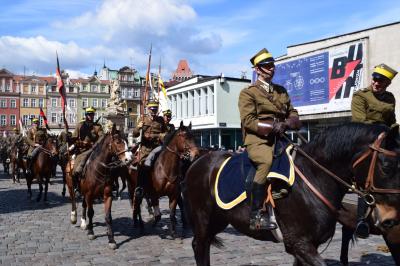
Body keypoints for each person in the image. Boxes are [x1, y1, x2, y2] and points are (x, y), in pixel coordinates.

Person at [238, 48, 301, 230]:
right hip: (258, 140)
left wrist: (289, 123)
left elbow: (292, 112)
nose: (271, 69)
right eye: (266, 66)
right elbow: (248, 121)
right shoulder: (248, 93)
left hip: (281, 137)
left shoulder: (281, 91)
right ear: (257, 70)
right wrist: (274, 126)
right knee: (265, 162)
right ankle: (256, 214)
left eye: (272, 65)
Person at [351, 63, 398, 238]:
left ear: (387, 83)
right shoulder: (360, 96)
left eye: (381, 80)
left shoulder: (390, 98)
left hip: (384, 138)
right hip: (364, 139)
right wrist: (382, 130)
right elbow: (359, 122)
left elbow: (392, 120)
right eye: (375, 79)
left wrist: (394, 130)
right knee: (367, 175)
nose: (377, 83)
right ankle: (361, 220)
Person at [132, 101, 167, 197]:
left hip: (158, 147)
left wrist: (156, 135)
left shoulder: (160, 120)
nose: (154, 111)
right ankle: (140, 187)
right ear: (148, 109)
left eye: (155, 109)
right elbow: (134, 134)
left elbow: (166, 133)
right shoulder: (143, 119)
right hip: (146, 149)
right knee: (142, 165)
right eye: (152, 109)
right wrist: (138, 128)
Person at [70, 107, 104, 191]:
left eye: (92, 114)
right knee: (75, 170)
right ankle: (76, 185)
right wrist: (77, 142)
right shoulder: (80, 125)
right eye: (88, 114)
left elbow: (102, 137)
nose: (90, 116)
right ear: (86, 115)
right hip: (82, 150)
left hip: (94, 150)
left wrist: (93, 144)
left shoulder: (97, 126)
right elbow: (74, 137)